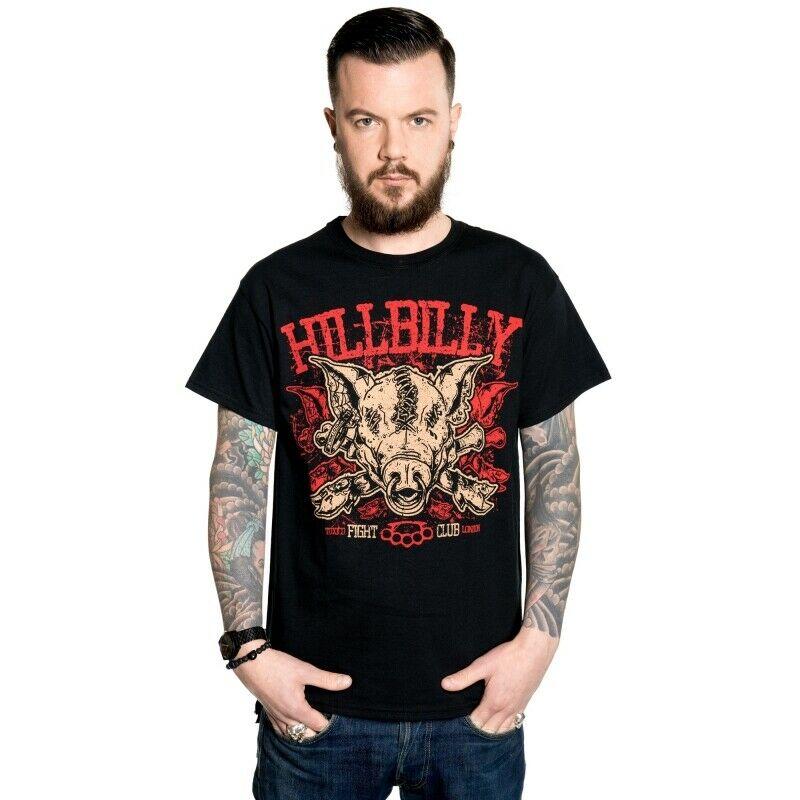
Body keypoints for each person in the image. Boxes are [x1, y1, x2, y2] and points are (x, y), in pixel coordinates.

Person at [185, 8, 611, 799]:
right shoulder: (276, 288)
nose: (393, 150)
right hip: (315, 716)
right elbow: (237, 477)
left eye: (417, 119)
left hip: (477, 709)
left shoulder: (519, 281)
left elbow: (555, 472)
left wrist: (538, 644)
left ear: (452, 123)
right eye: (366, 120)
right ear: (333, 126)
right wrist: (249, 652)